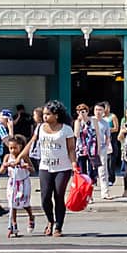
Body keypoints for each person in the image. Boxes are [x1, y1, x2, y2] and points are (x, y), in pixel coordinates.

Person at [36, 100, 77, 238]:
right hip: (45, 166)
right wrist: (19, 158)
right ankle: (50, 220)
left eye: (48, 114)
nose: (45, 117)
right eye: (44, 114)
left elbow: (71, 149)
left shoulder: (66, 129)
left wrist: (74, 164)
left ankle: (58, 226)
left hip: (63, 167)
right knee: (45, 197)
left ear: (56, 115)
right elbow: (31, 143)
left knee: (59, 195)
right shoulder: (40, 128)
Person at [1, 134, 36, 237]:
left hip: (23, 182)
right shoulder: (7, 157)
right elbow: (1, 171)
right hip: (12, 182)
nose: (12, 150)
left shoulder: (24, 157)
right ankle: (14, 224)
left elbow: (33, 170)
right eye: (10, 148)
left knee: (25, 202)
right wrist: (5, 165)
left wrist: (27, 167)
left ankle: (31, 216)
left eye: (15, 148)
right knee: (13, 204)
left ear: (20, 147)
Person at [92, 102, 114, 200]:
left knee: (103, 171)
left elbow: (108, 136)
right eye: (96, 110)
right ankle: (89, 194)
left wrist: (107, 146)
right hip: (91, 149)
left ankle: (105, 192)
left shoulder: (105, 123)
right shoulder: (90, 121)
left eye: (100, 110)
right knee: (91, 172)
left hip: (102, 148)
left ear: (103, 111)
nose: (98, 112)